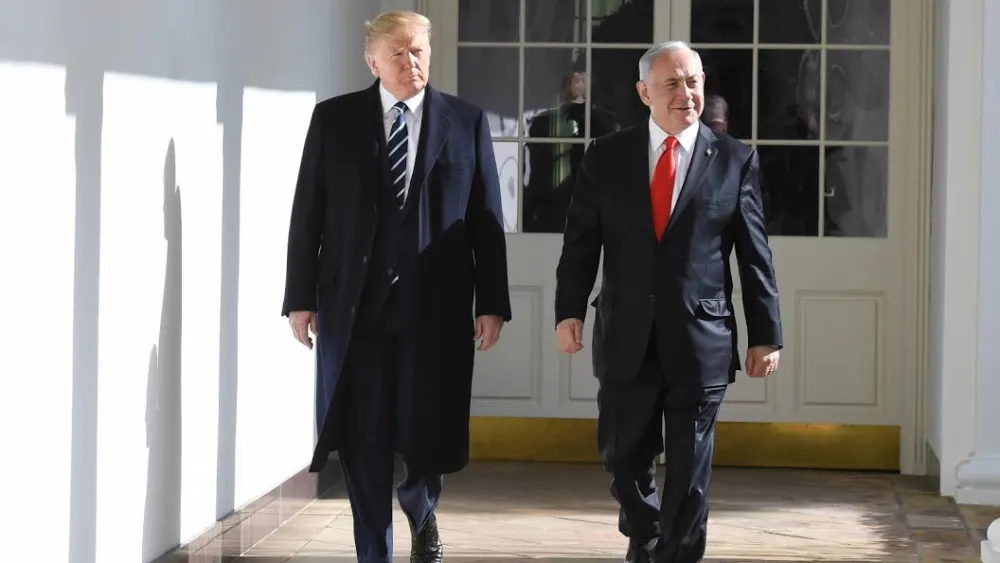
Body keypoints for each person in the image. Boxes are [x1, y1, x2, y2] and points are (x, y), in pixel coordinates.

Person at [281, 11, 511, 563]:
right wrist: (300, 298)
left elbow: (487, 218)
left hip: (436, 310)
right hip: (354, 310)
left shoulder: (466, 121)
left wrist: (493, 302)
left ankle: (420, 506)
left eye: (421, 52)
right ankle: (372, 552)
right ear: (373, 61)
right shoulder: (334, 121)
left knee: (426, 430)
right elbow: (307, 212)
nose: (413, 63)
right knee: (363, 439)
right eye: (401, 53)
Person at [554, 41, 783, 563]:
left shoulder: (734, 159)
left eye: (694, 81)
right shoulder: (606, 156)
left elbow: (755, 253)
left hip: (699, 338)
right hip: (626, 335)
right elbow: (581, 242)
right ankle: (649, 535)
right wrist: (568, 311)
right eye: (673, 83)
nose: (687, 94)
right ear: (644, 92)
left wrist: (765, 332)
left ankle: (676, 555)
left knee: (690, 468)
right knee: (622, 457)